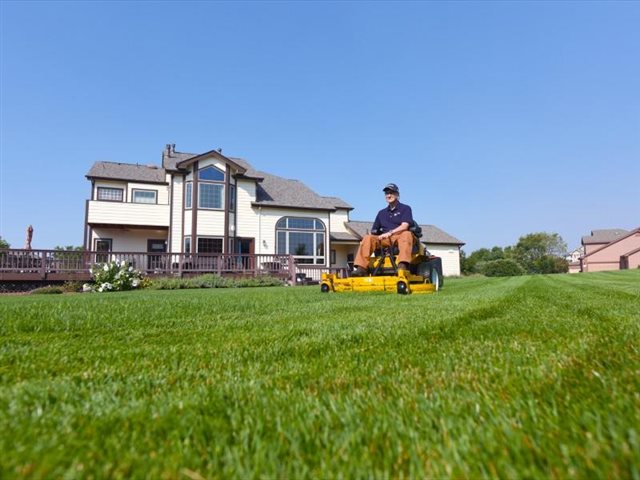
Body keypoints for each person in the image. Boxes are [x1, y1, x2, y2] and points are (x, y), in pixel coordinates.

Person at [351, 183, 414, 276]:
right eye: (387, 193)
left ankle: (402, 265)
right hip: (385, 239)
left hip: (400, 236)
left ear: (397, 194)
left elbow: (405, 226)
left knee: (407, 234)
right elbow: (374, 230)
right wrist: (367, 239)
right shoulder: (381, 213)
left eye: (391, 193)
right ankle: (361, 268)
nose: (389, 195)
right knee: (368, 238)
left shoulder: (405, 208)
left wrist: (390, 232)